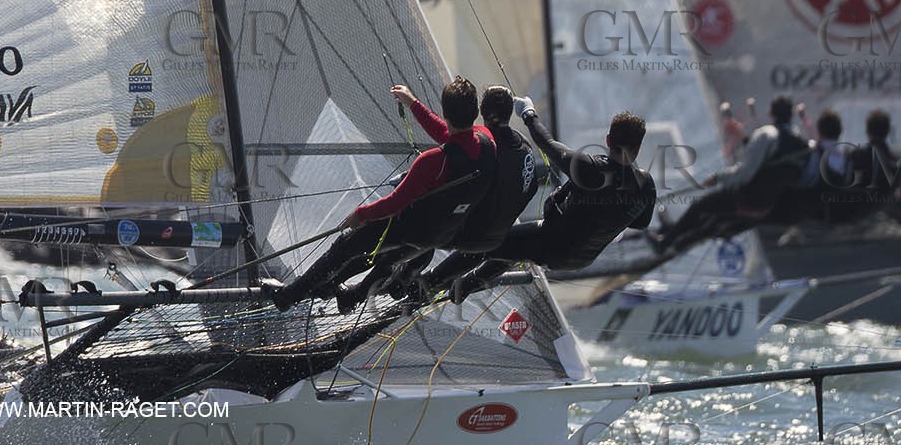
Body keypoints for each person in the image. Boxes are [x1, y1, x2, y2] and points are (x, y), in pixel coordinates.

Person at [264, 78, 495, 312]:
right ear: (475, 112)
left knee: (345, 246)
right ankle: (328, 287)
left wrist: (360, 213)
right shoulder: (488, 143)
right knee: (372, 253)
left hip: (411, 228)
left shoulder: (432, 161)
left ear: (444, 112)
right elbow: (454, 138)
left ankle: (287, 296)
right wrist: (413, 104)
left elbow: (394, 204)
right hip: (442, 233)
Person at [423, 101, 656, 303]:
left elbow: (548, 144)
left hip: (552, 244)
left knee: (487, 243)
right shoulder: (645, 185)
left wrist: (528, 113)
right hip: (582, 258)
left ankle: (428, 284)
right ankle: (465, 287)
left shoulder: (592, 170)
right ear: (638, 147)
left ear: (608, 139)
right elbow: (640, 223)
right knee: (514, 248)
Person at [340, 84, 540, 305]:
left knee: (415, 235)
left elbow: (453, 145)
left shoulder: (486, 146)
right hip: (496, 237)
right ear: (508, 114)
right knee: (427, 243)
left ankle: (356, 295)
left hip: (471, 234)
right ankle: (400, 283)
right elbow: (530, 188)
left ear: (481, 112)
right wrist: (413, 103)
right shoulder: (522, 146)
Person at [648, 94, 808, 254]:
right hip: (765, 208)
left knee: (699, 207)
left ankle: (665, 242)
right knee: (713, 220)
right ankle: (678, 240)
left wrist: (719, 177)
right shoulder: (801, 143)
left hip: (745, 199)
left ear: (771, 114)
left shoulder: (766, 134)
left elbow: (745, 172)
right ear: (791, 115)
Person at [767, 109, 848, 225]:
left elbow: (803, 182)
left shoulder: (811, 155)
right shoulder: (847, 159)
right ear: (840, 132)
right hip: (837, 213)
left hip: (808, 216)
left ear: (820, 131)